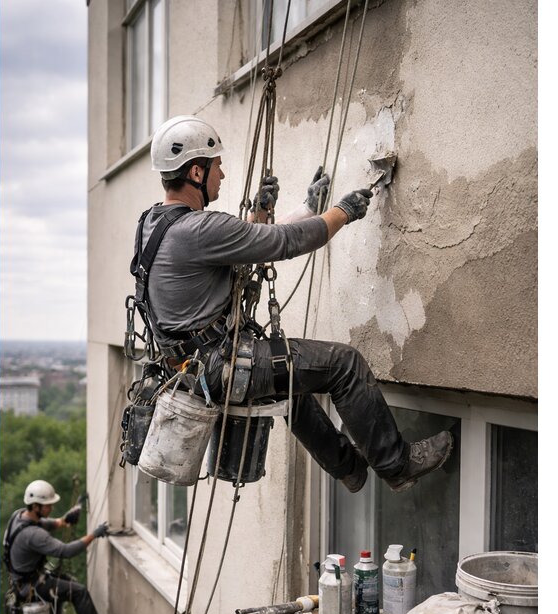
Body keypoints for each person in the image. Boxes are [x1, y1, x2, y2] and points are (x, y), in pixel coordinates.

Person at [132, 115, 453, 494]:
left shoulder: (152, 222)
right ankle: (396, 464)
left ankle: (349, 467)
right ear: (197, 173)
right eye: (217, 166)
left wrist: (298, 209)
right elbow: (284, 242)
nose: (223, 173)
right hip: (219, 364)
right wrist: (342, 212)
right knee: (343, 364)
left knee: (289, 386)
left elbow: (236, 246)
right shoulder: (199, 228)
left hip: (190, 367)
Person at [3, 479, 122, 614]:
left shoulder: (20, 516)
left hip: (24, 581)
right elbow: (66, 551)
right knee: (78, 591)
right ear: (36, 506)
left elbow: (47, 524)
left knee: (69, 582)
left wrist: (66, 519)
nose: (51, 508)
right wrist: (94, 534)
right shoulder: (33, 534)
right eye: (47, 505)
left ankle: (60, 611)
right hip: (32, 586)